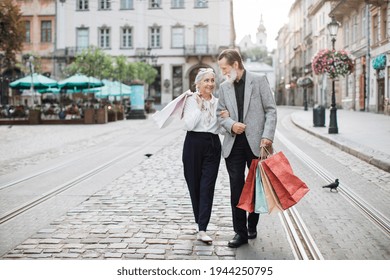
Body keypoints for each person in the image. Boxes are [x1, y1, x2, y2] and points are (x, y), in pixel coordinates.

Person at [216, 49, 277, 248]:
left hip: (256, 144)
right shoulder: (224, 87)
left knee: (254, 188)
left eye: (225, 68)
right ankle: (239, 232)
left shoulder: (259, 81)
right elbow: (219, 115)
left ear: (235, 65)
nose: (223, 73)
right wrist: (231, 124)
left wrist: (267, 136)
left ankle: (253, 224)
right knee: (236, 188)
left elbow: (270, 110)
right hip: (233, 145)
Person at [182, 68, 224, 244]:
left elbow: (221, 129)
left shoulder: (218, 103)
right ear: (198, 83)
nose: (210, 84)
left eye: (212, 80)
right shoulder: (191, 100)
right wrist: (199, 108)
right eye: (206, 80)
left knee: (207, 186)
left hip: (213, 145)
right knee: (194, 185)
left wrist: (226, 119)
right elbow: (188, 125)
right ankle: (199, 221)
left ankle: (202, 228)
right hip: (193, 144)